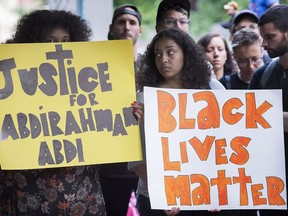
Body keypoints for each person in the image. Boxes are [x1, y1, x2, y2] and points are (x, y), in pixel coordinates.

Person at [0, 10, 106, 216]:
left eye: (66, 40)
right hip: (26, 192)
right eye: (49, 40)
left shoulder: (92, 83)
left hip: (79, 191)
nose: (59, 46)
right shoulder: (11, 82)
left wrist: (130, 115)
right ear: (31, 42)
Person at [130, 28, 238, 216]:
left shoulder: (213, 89)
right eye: (157, 54)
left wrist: (218, 188)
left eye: (170, 52)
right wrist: (165, 191)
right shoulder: (142, 99)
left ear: (185, 54)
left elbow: (229, 144)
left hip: (205, 196)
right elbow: (136, 159)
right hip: (158, 200)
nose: (163, 59)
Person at [98, 4, 142, 216]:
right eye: (121, 22)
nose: (127, 27)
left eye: (132, 22)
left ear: (140, 30)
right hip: (109, 168)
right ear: (111, 28)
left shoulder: (152, 67)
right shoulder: (94, 67)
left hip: (143, 169)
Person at [248, 4, 288, 216]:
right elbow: (249, 123)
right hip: (271, 183)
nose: (263, 44)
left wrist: (268, 117)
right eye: (262, 37)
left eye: (270, 37)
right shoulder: (261, 75)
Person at [155, 0, 225, 89]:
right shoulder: (144, 66)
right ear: (158, 28)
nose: (178, 26)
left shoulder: (204, 69)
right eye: (170, 21)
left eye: (183, 21)